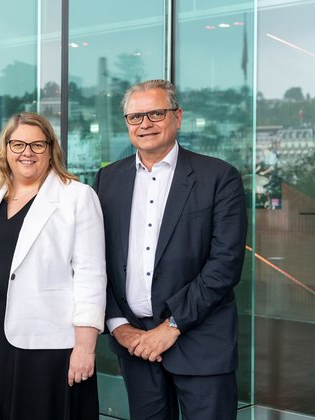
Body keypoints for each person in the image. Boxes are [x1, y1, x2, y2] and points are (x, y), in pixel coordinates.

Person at [93, 79, 247, 420]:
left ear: (177, 117)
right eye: (135, 117)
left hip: (202, 344)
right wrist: (118, 325)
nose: (145, 123)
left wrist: (171, 327)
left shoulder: (219, 177)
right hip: (134, 346)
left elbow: (225, 265)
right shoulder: (107, 180)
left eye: (156, 113)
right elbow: (95, 259)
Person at [0, 112, 107, 420]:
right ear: (5, 148)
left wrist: (85, 348)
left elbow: (91, 277)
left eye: (37, 145)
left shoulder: (77, 196)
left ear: (51, 149)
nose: (27, 152)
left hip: (45, 343)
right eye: (18, 144)